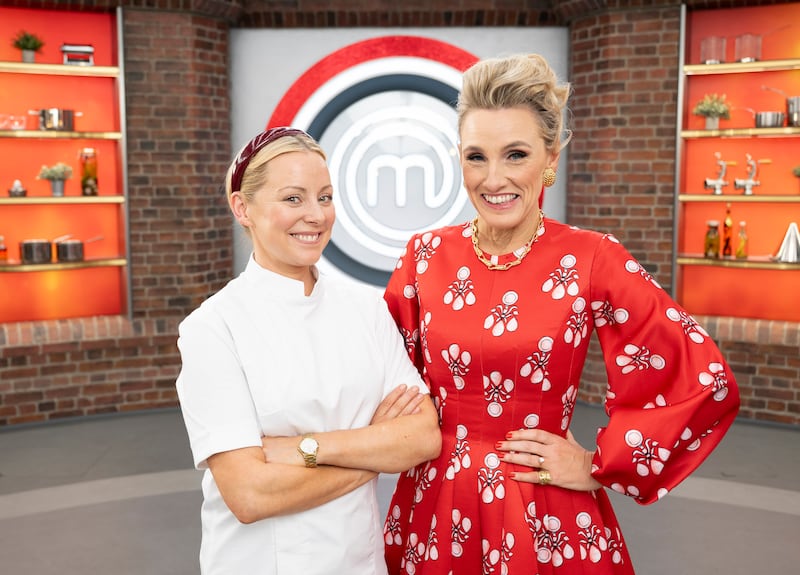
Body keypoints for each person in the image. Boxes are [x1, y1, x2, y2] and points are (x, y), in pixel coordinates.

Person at [381, 54, 740, 574]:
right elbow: (375, 371)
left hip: (541, 512)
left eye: (516, 154)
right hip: (435, 508)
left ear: (550, 157)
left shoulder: (592, 257)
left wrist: (600, 466)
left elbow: (701, 377)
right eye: (476, 156)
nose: (494, 177)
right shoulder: (424, 256)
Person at [175, 127, 441, 575]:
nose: (316, 215)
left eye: (325, 197)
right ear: (243, 208)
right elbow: (251, 495)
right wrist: (372, 453)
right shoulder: (213, 328)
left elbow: (422, 437)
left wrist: (302, 448)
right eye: (293, 199)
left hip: (361, 562)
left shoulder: (365, 310)